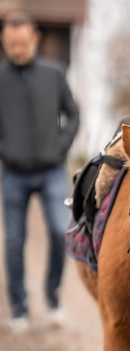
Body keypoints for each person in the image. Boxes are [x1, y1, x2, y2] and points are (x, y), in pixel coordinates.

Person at [0, 10, 79, 331]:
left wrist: (59, 149)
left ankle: (53, 296)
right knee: (15, 241)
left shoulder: (54, 74)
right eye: (10, 45)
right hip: (14, 174)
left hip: (51, 171)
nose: (17, 50)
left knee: (60, 233)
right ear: (4, 42)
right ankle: (18, 307)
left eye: (22, 43)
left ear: (34, 39)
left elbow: (73, 116)